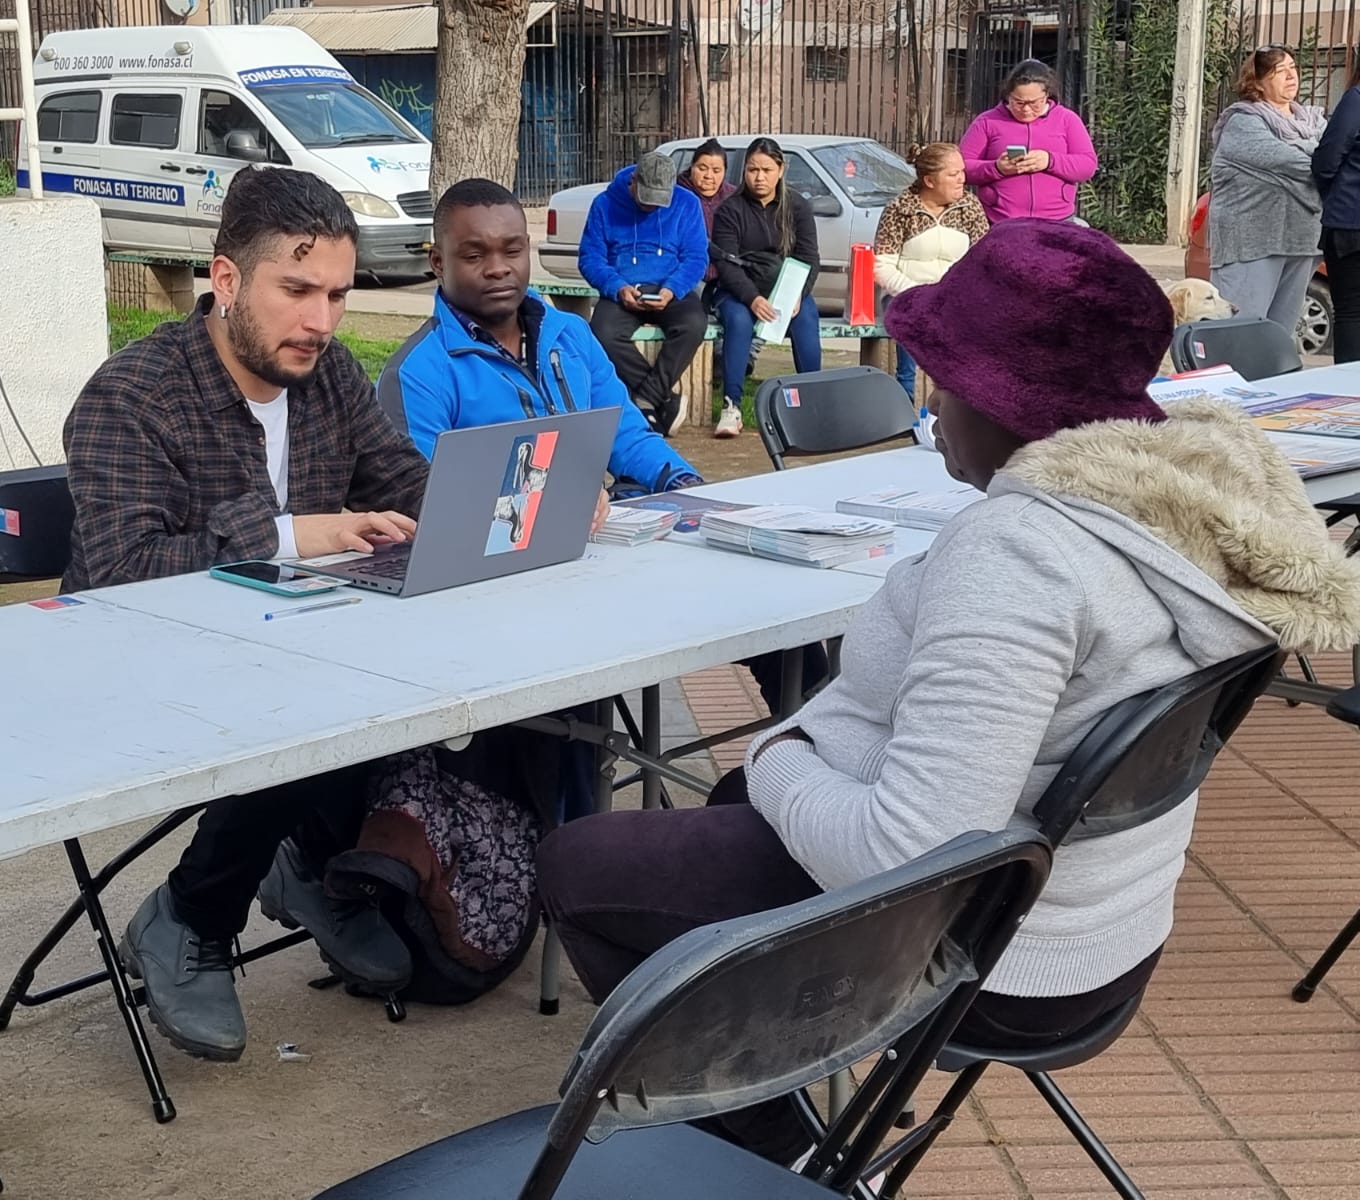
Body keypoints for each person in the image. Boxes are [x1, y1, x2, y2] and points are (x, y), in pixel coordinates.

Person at [536, 219, 1360, 1164]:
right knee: (724, 814)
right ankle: (796, 1089)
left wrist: (777, 753)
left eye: (938, 373)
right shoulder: (1183, 511)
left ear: (994, 396)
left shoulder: (1021, 554)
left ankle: (781, 1151)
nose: (927, 399)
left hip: (990, 952)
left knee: (582, 865)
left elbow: (906, 850)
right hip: (1100, 927)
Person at [61, 167, 431, 1063]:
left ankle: (314, 864)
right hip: (141, 661)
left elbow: (402, 481)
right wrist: (292, 534)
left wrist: (519, 497)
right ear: (226, 281)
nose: (323, 321)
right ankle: (193, 913)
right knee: (308, 697)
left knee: (432, 668)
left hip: (292, 644)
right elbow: (121, 573)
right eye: (297, 290)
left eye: (339, 295)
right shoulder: (133, 394)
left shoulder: (328, 373)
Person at [377, 177, 701, 499]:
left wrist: (686, 483)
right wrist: (560, 502)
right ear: (438, 262)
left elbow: (625, 434)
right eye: (474, 256)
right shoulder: (416, 375)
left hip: (594, 539)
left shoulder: (572, 336)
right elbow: (428, 500)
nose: (498, 269)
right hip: (489, 543)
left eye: (513, 251)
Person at [578, 151, 711, 437]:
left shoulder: (687, 203)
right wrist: (617, 287)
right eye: (647, 197)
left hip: (670, 287)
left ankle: (646, 398)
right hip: (623, 286)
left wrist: (672, 289)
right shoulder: (604, 204)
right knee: (601, 332)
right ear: (634, 182)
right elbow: (590, 257)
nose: (652, 206)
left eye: (659, 199)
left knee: (694, 324)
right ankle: (661, 400)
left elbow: (696, 257)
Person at [1208, 46, 1326, 338]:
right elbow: (1298, 161)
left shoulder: (1312, 121)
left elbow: (1333, 159)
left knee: (1278, 340)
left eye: (1293, 67)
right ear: (1257, 82)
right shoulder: (1242, 121)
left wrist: (1325, 156)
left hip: (1301, 240)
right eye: (1278, 70)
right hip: (1252, 243)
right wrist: (1323, 155)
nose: (1290, 75)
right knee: (1239, 336)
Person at [709, 137, 821, 439]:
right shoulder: (730, 210)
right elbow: (727, 264)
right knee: (738, 320)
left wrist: (799, 292)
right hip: (738, 289)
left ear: (781, 169)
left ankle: (814, 402)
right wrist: (752, 298)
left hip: (786, 287)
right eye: (752, 170)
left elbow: (809, 257)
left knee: (807, 317)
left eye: (767, 170)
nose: (759, 177)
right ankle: (731, 405)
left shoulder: (797, 206)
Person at [872, 141, 990, 398]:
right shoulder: (899, 210)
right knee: (914, 318)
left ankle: (962, 406)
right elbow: (881, 266)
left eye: (962, 171)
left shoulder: (970, 207)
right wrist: (918, 293)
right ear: (930, 181)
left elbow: (982, 261)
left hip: (955, 296)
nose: (962, 179)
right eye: (953, 174)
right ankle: (907, 403)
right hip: (906, 293)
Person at [959, 59, 1096, 224]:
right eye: (1018, 102)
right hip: (1000, 220)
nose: (1026, 109)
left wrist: (1050, 161)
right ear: (1008, 96)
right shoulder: (987, 121)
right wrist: (996, 168)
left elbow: (1087, 165)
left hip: (1057, 219)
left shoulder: (1067, 119)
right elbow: (962, 167)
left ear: (1047, 96)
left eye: (1034, 103)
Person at [1313, 66, 1360, 361]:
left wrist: (1328, 192)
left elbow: (1326, 160)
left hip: (1349, 221)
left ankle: (1349, 396)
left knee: (1351, 313)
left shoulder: (1356, 99)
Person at [677, 138, 737, 306]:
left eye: (716, 170)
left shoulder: (733, 197)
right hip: (687, 277)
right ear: (692, 167)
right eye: (702, 168)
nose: (709, 176)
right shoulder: (677, 195)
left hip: (726, 278)